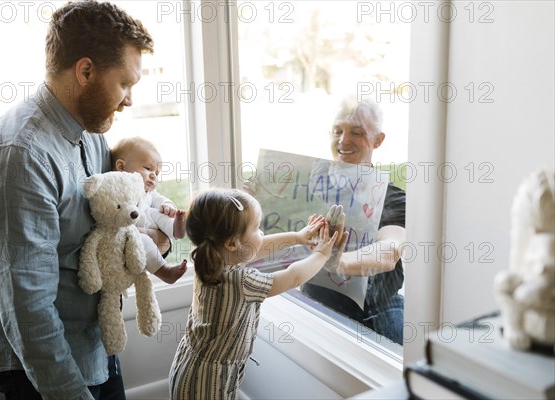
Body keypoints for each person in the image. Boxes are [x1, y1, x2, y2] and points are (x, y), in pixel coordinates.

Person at [0, 1, 154, 399]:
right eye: (125, 83)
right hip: (45, 370)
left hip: (94, 345)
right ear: (85, 71)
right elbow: (28, 311)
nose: (129, 100)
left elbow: (105, 221)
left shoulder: (91, 130)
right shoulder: (19, 155)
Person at [168, 189, 348, 400]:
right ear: (232, 243)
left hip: (189, 364)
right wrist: (322, 254)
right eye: (257, 228)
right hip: (208, 381)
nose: (261, 233)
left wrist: (297, 237)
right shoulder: (241, 281)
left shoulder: (208, 260)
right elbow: (293, 277)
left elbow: (256, 248)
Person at [302, 96, 407, 345]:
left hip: (378, 306)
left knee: (402, 366)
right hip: (317, 301)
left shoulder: (391, 196)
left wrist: (338, 261)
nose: (344, 140)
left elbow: (389, 252)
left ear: (378, 140)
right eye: (338, 130)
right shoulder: (309, 183)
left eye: (357, 132)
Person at [111, 136, 188, 284]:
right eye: (148, 168)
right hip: (131, 231)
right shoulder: (117, 187)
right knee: (143, 240)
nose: (153, 175)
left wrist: (168, 207)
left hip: (147, 221)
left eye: (157, 173)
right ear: (121, 167)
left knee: (158, 212)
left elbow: (160, 199)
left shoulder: (149, 193)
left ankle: (177, 229)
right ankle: (165, 271)